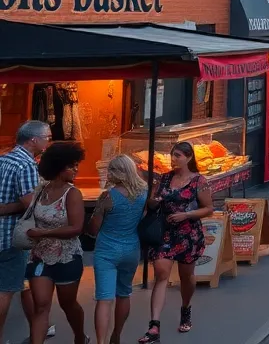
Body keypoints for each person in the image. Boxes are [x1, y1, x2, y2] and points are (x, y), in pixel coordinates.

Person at [140, 142, 213, 342]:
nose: (173, 160)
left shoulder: (199, 181)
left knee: (186, 276)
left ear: (189, 158)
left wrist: (187, 214)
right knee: (161, 274)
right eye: (172, 156)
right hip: (164, 233)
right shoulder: (164, 179)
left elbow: (208, 208)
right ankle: (154, 325)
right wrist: (154, 202)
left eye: (178, 156)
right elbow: (153, 200)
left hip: (188, 234)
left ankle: (186, 307)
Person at [25, 141, 87, 344]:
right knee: (41, 306)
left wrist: (42, 233)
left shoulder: (73, 194)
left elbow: (76, 228)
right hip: (39, 256)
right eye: (71, 165)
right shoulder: (41, 190)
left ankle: (79, 336)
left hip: (67, 258)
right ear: (58, 167)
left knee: (68, 304)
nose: (76, 169)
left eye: (76, 164)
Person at [88, 154, 147, 344]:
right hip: (131, 248)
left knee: (104, 299)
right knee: (124, 293)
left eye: (110, 170)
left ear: (116, 173)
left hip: (107, 250)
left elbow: (94, 229)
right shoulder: (144, 193)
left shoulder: (107, 197)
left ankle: (101, 342)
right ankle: (117, 335)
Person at [0, 122, 51, 339]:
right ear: (33, 140)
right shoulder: (26, 165)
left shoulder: (4, 159)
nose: (49, 141)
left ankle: (39, 326)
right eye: (47, 137)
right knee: (6, 290)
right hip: (13, 236)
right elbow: (31, 203)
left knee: (22, 284)